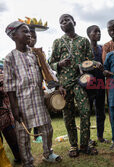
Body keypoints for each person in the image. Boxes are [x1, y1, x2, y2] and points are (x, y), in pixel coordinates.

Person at [4, 21, 62, 167]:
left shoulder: (36, 54)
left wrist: (57, 86)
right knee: (23, 134)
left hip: (38, 98)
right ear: (14, 36)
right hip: (21, 102)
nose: (29, 34)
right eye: (24, 31)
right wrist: (14, 108)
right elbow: (9, 85)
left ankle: (48, 154)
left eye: (29, 31)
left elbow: (48, 72)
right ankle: (27, 161)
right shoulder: (10, 58)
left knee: (47, 128)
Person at [49, 14, 101, 157]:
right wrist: (59, 63)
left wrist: (93, 65)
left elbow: (90, 61)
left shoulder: (83, 41)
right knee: (68, 115)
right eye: (61, 22)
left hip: (79, 83)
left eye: (67, 20)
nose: (64, 22)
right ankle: (73, 146)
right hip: (64, 86)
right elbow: (50, 63)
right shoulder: (58, 42)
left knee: (85, 111)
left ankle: (84, 145)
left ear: (74, 22)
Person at [86, 25, 109, 143]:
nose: (98, 34)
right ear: (89, 34)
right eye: (95, 32)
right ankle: (88, 138)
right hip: (89, 83)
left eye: (99, 32)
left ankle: (100, 136)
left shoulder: (101, 48)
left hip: (100, 83)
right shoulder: (85, 49)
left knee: (100, 111)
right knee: (87, 111)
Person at [0, 65, 21, 163]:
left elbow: (6, 90)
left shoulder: (3, 77)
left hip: (5, 114)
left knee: (12, 137)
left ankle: (19, 157)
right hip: (4, 113)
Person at [27, 27, 43, 143]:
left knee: (38, 114)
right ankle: (25, 137)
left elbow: (46, 71)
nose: (33, 39)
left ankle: (37, 136)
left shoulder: (39, 53)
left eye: (35, 37)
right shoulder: (22, 53)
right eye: (30, 37)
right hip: (26, 92)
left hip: (38, 89)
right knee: (27, 116)